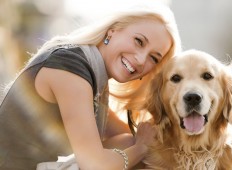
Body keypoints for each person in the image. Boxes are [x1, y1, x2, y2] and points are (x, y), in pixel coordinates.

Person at [0, 1, 181, 169]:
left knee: (131, 143)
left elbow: (133, 134)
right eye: (139, 41)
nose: (141, 60)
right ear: (113, 30)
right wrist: (141, 147)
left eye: (153, 58)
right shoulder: (70, 68)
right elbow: (94, 165)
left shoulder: (94, 78)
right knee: (135, 149)